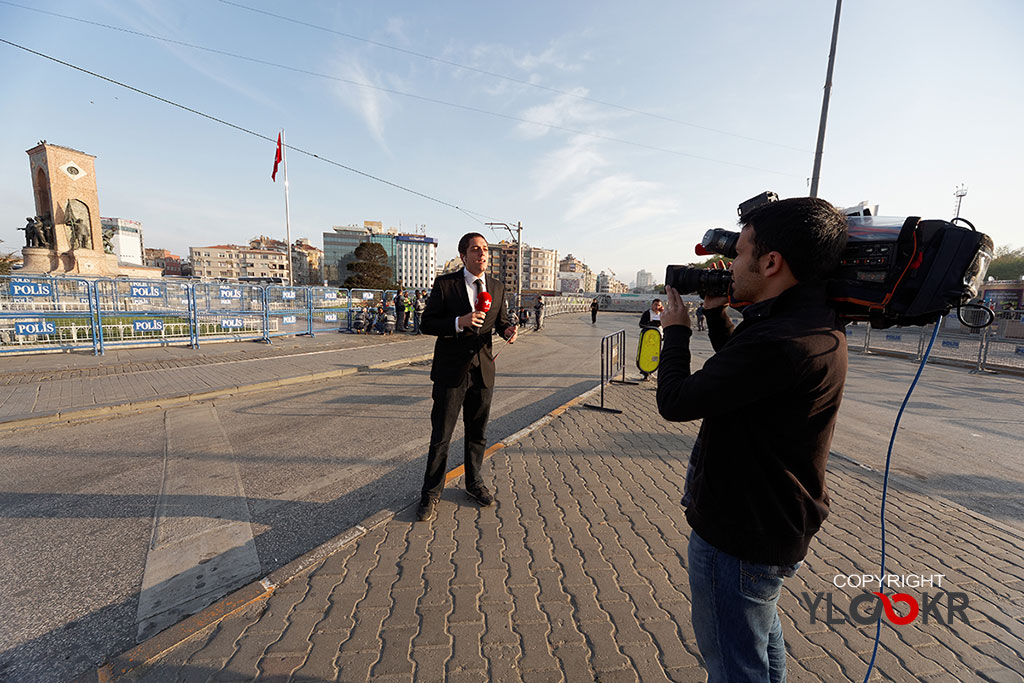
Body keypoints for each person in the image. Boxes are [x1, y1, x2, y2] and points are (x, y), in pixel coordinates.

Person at [656, 197, 848, 682]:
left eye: (740, 254)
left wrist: (675, 333)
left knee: (735, 665)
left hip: (739, 532)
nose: (729, 265)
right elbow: (745, 378)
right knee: (760, 642)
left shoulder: (778, 341)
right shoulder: (809, 323)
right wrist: (718, 315)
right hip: (771, 525)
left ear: (770, 262)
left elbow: (676, 401)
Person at [416, 233, 518, 522]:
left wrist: (509, 330)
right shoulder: (446, 284)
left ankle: (474, 484)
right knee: (441, 437)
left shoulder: (496, 287)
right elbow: (427, 323)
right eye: (476, 249)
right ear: (463, 255)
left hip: (483, 371)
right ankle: (431, 492)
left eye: (485, 249)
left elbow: (501, 322)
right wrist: (457, 323)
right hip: (451, 372)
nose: (482, 254)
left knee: (478, 434)